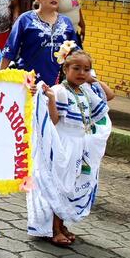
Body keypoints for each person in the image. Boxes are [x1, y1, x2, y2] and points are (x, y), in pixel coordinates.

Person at [28, 45, 114, 247]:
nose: (81, 73)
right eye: (76, 68)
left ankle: (61, 224)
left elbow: (109, 95)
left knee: (72, 186)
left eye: (86, 69)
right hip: (63, 144)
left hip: (80, 145)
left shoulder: (85, 91)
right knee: (60, 185)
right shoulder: (60, 91)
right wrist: (50, 99)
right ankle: (54, 229)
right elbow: (54, 120)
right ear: (65, 69)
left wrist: (92, 80)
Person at [2, 0, 78, 85]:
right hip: (26, 80)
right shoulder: (25, 19)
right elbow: (10, 49)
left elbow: (75, 53)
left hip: (55, 81)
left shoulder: (66, 22)